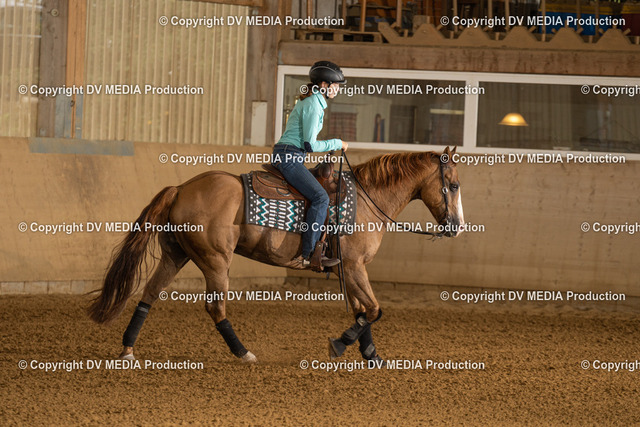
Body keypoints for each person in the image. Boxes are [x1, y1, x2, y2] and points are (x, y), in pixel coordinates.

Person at [272, 61, 349, 269]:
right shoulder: (314, 105)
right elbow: (310, 144)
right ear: (324, 85)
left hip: (290, 155)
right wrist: (337, 143)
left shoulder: (314, 102)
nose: (338, 89)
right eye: (335, 85)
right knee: (321, 197)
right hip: (290, 157)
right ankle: (310, 254)